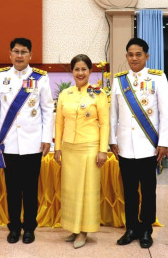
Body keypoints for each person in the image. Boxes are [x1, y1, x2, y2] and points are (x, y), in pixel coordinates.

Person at [0, 37, 53, 244]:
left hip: (32, 143)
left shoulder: (40, 77)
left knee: (31, 189)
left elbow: (46, 110)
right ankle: (14, 227)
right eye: (16, 51)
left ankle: (29, 228)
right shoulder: (0, 77)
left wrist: (46, 139)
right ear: (10, 54)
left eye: (23, 52)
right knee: (13, 189)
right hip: (8, 144)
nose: (19, 55)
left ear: (30, 55)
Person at [109, 37, 168, 249]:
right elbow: (113, 114)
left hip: (148, 146)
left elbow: (165, 113)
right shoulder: (119, 80)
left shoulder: (158, 77)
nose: (134, 58)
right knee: (129, 190)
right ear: (126, 56)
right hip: (125, 146)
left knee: (148, 190)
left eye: (138, 54)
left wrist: (163, 141)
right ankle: (131, 228)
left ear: (147, 56)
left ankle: (146, 229)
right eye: (130, 54)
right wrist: (112, 140)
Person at [54, 54, 109, 249]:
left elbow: (105, 123)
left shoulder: (99, 94)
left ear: (90, 71)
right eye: (76, 69)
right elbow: (59, 122)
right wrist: (58, 148)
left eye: (84, 69)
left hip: (90, 149)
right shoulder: (65, 94)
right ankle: (74, 228)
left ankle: (84, 231)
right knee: (71, 190)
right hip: (69, 149)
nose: (80, 73)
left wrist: (103, 150)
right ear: (72, 71)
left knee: (87, 191)